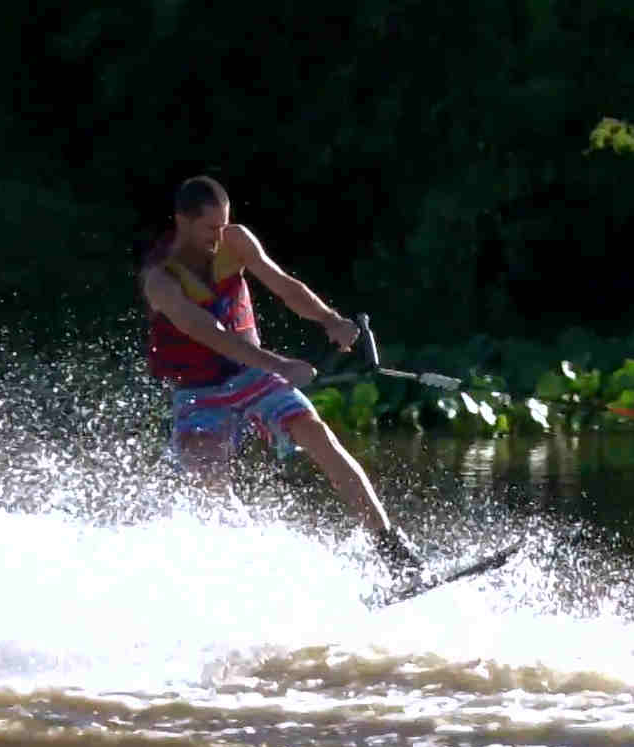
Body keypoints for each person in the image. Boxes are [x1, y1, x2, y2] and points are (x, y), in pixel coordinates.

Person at [139, 175, 424, 580]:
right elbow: (210, 334)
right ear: (182, 221)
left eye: (224, 225)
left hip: (252, 374)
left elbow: (285, 287)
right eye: (209, 229)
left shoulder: (236, 240)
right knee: (210, 485)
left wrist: (330, 320)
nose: (219, 237)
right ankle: (258, 577)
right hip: (198, 393)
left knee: (316, 434)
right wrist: (282, 365)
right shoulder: (160, 279)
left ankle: (392, 551)